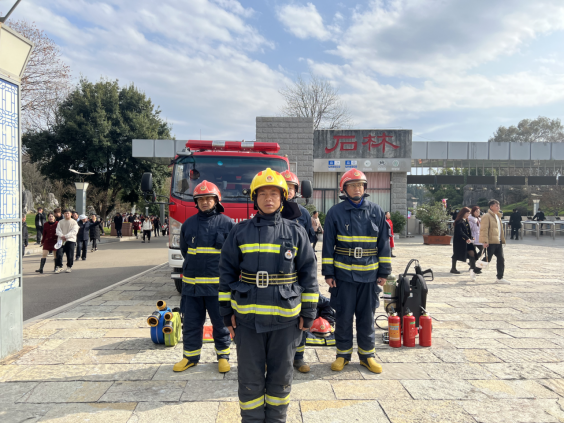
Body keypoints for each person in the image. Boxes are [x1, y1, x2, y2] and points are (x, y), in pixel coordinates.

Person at [219, 168, 318, 423]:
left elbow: (308, 274)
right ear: (255, 198)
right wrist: (226, 312)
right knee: (249, 379)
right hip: (247, 321)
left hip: (286, 321)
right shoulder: (239, 232)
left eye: (274, 193)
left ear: (283, 197)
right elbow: (226, 273)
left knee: (281, 378)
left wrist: (308, 313)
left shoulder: (296, 232)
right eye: (262, 193)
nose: (269, 198)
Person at [322, 169, 391, 374]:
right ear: (344, 189)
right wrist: (329, 273)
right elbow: (328, 245)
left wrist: (384, 272)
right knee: (343, 317)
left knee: (367, 318)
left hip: (369, 275)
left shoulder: (376, 211)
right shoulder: (335, 212)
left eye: (360, 185)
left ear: (365, 188)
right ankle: (342, 355)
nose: (357, 188)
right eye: (352, 185)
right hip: (343, 276)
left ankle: (367, 356)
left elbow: (384, 244)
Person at [174, 181, 234, 374]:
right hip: (192, 289)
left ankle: (223, 356)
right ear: (196, 202)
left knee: (221, 324)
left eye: (209, 198)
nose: (205, 202)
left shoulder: (228, 224)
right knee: (191, 324)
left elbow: (233, 256)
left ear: (216, 200)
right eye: (200, 199)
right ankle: (190, 357)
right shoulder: (189, 224)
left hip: (218, 289)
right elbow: (185, 251)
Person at [281, 170, 317, 374]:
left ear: (297, 191)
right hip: (277, 275)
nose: (288, 191)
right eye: (284, 187)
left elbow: (310, 241)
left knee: (301, 315)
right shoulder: (270, 211)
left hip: (298, 273)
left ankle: (299, 357)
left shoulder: (303, 214)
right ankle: (276, 357)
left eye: (291, 188)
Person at [479, 199, 509, 284]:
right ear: (491, 207)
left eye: (498, 205)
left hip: (498, 241)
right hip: (491, 241)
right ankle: (474, 270)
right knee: (487, 259)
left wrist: (502, 239)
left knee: (501, 259)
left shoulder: (498, 216)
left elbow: (499, 230)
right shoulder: (487, 216)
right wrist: (485, 241)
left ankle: (500, 277)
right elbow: (484, 229)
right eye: (496, 205)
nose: (498, 207)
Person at [451, 207, 478, 281]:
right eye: (467, 213)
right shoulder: (459, 221)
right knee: (456, 254)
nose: (468, 214)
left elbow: (468, 231)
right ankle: (453, 268)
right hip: (460, 241)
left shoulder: (466, 220)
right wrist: (466, 237)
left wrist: (471, 237)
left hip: (467, 240)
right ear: (463, 213)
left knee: (472, 253)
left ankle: (473, 268)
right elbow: (460, 231)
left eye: (469, 213)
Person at [55, 209, 79, 274]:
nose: (67, 214)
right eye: (65, 213)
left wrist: (66, 236)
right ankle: (59, 266)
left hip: (70, 240)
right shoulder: (60, 222)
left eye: (68, 213)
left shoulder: (74, 222)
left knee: (70, 255)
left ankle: (69, 266)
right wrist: (62, 236)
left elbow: (74, 231)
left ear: (71, 214)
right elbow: (57, 230)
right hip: (61, 240)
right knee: (59, 253)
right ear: (63, 214)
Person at [468, 206, 483, 272]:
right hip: (473, 237)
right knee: (472, 253)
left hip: (479, 237)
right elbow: (469, 229)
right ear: (473, 212)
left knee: (482, 250)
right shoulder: (471, 219)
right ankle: (472, 267)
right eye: (476, 211)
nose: (478, 213)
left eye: (479, 211)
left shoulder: (479, 219)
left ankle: (473, 262)